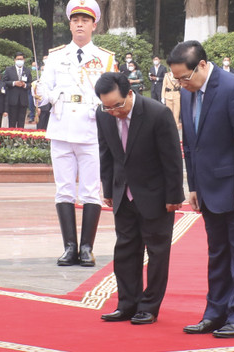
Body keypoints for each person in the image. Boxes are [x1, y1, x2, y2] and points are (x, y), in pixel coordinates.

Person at [168, 40, 234, 340]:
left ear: (201, 65)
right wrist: (194, 186)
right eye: (177, 80)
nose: (182, 84)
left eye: (185, 77)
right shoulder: (188, 94)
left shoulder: (233, 89)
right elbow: (190, 144)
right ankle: (215, 313)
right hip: (208, 189)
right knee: (217, 255)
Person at [95, 72, 184, 326]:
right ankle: (127, 303)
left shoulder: (157, 114)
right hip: (123, 193)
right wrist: (109, 190)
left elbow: (172, 159)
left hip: (155, 194)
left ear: (130, 93)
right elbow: (106, 153)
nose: (114, 111)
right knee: (125, 250)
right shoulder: (103, 114)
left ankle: (149, 306)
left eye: (118, 105)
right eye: (108, 106)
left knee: (156, 253)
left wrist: (174, 195)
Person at [39, 0, 115, 267]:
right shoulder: (56, 57)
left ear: (94, 25)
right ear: (69, 25)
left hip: (91, 129)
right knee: (64, 190)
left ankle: (87, 247)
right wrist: (40, 92)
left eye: (85, 20)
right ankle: (69, 246)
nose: (80, 25)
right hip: (61, 128)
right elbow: (44, 94)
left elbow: (113, 96)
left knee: (91, 190)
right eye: (75, 20)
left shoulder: (105, 59)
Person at [3, 53, 30, 128]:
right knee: (12, 122)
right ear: (15, 60)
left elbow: (30, 83)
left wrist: (25, 85)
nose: (20, 60)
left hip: (23, 100)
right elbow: (4, 82)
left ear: (24, 60)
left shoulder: (27, 70)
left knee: (21, 123)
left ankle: (21, 138)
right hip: (12, 100)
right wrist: (14, 83)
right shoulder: (9, 70)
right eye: (18, 59)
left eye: (21, 59)